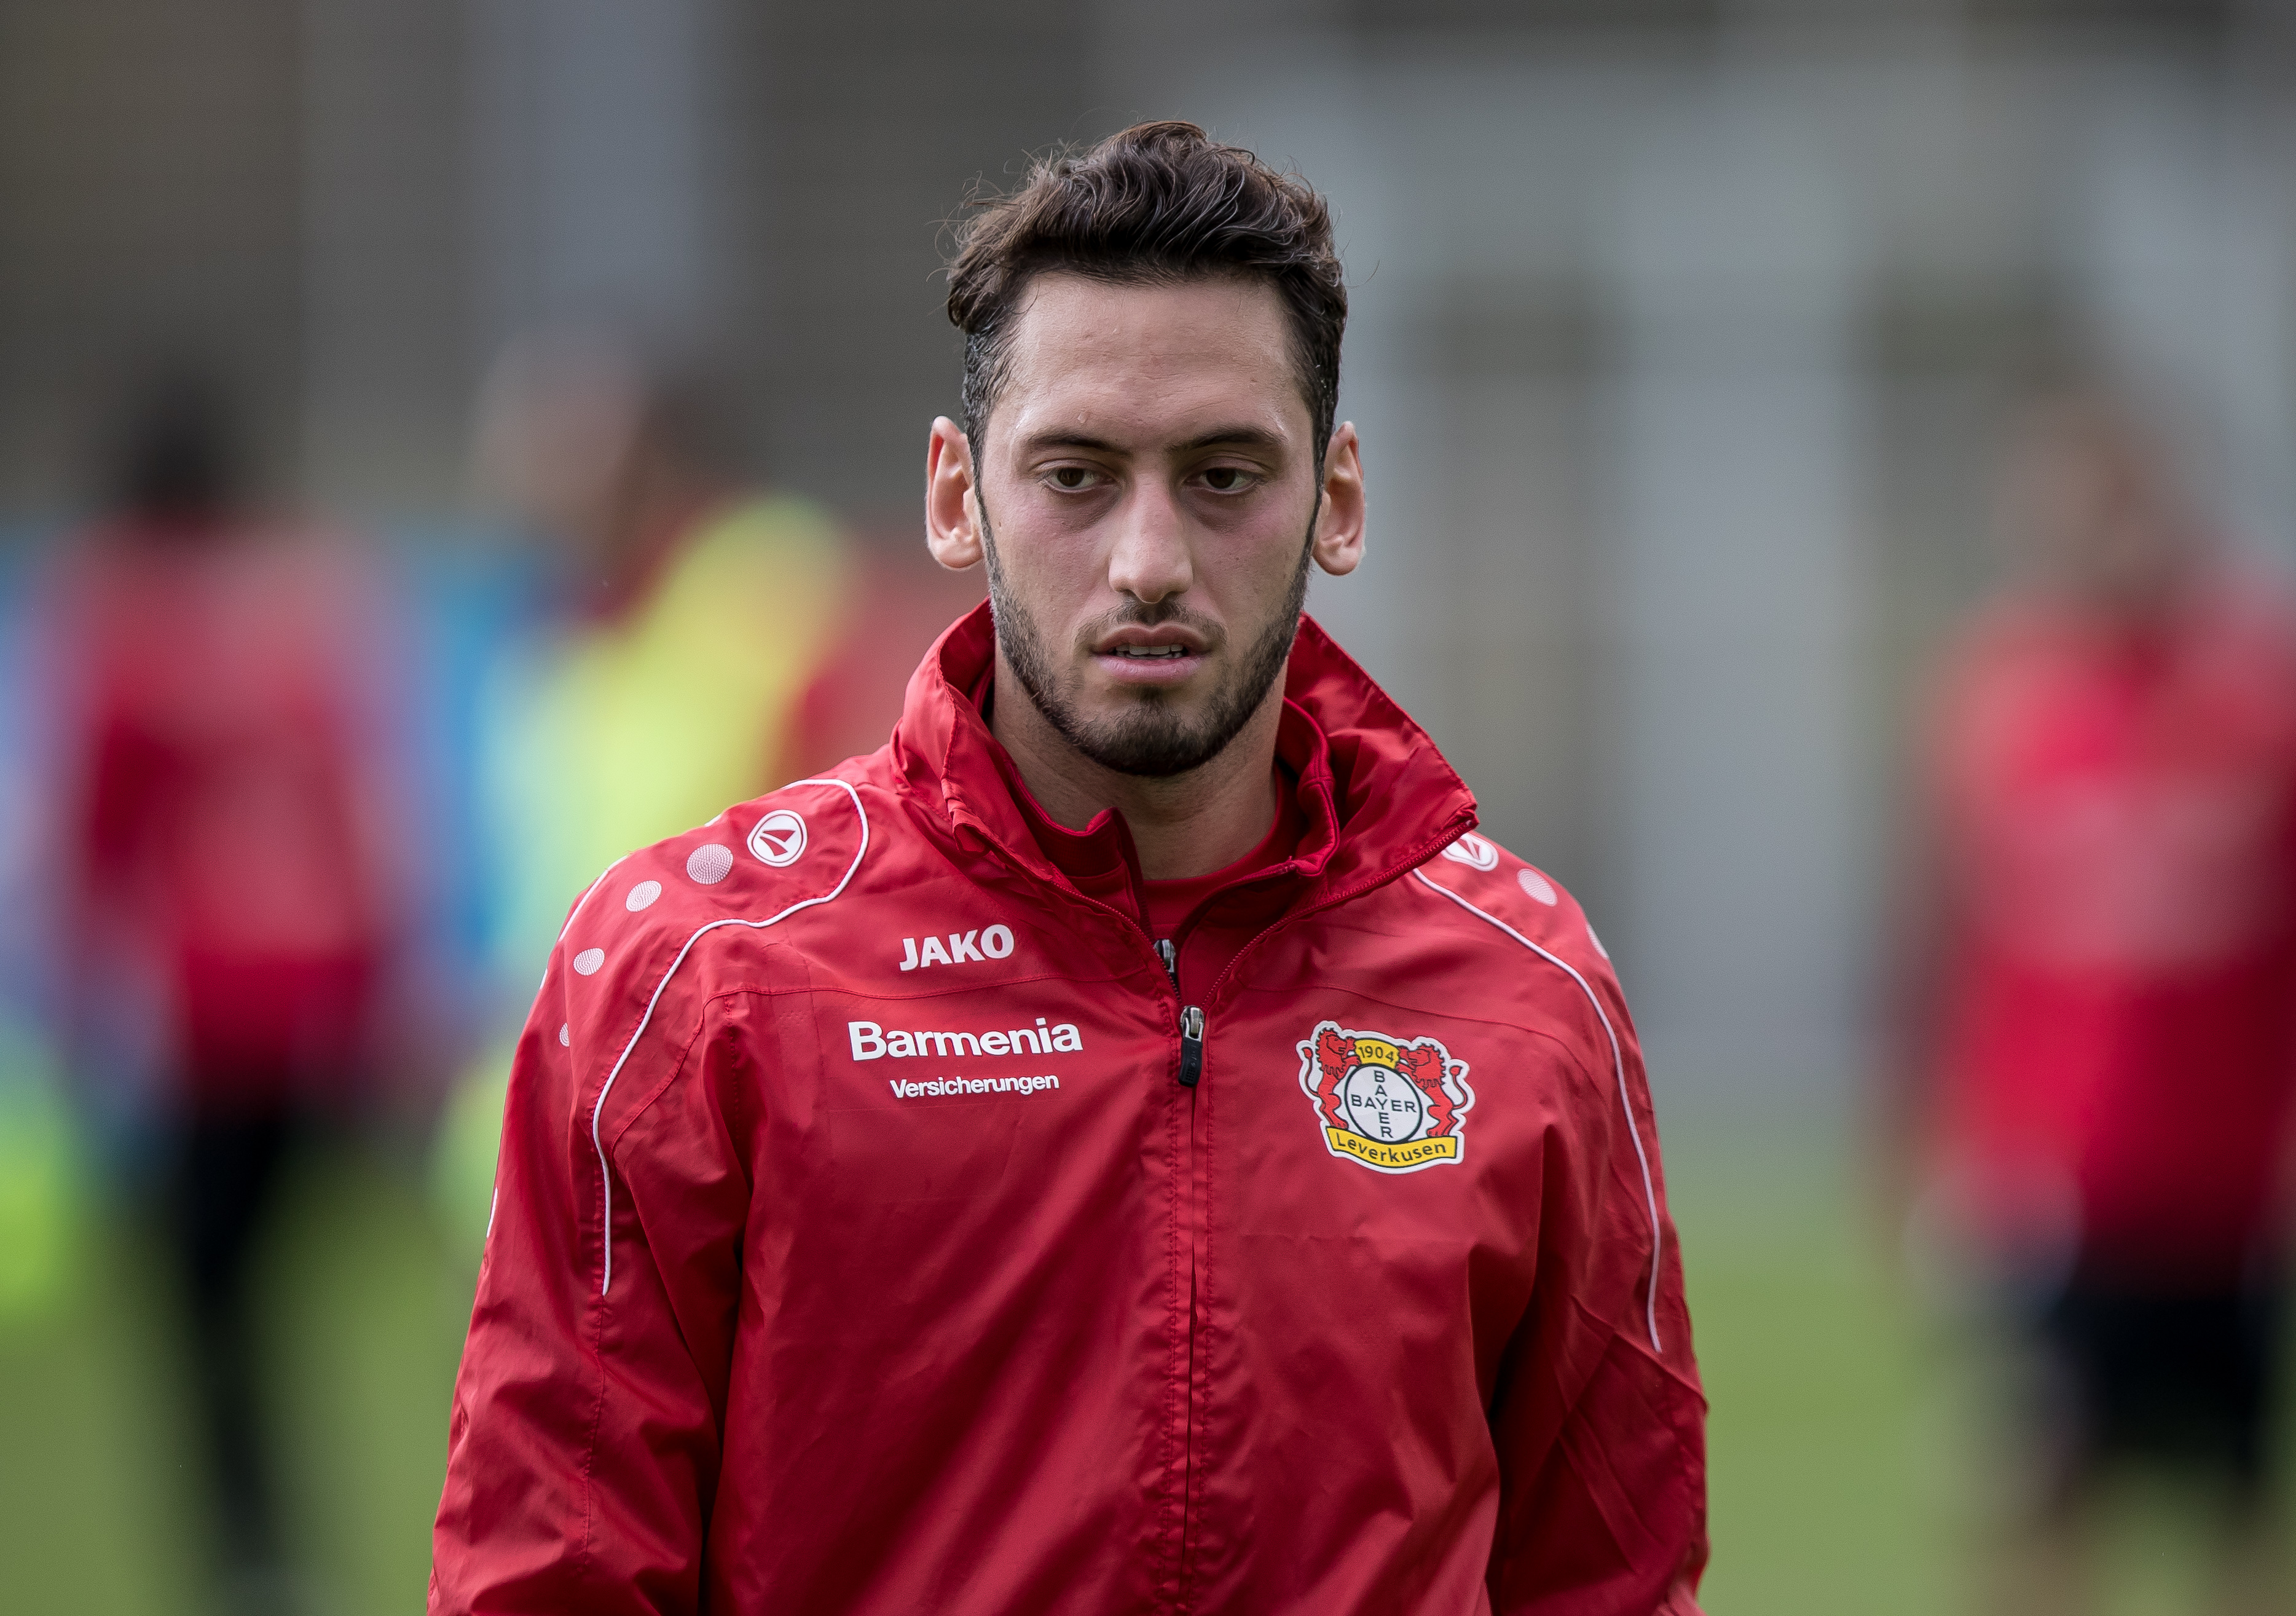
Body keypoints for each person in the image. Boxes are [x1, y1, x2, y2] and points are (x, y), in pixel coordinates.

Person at [430, 122, 1707, 1614]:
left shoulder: (1525, 994)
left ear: (1338, 499)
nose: (1149, 557)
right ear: (957, 496)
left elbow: (1606, 1580)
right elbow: (549, 1578)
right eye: (1078, 475)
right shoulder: (695, 977)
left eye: (1224, 475)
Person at [1888, 388, 2296, 1616]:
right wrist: (1928, 1140)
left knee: (2258, 1510)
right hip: (2057, 1199)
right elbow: (1946, 947)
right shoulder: (1999, 705)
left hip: (2246, 1192)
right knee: (2034, 1500)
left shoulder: (2283, 700)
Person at [434, 335, 974, 1251]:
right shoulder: (554, 640)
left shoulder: (769, 583)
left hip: (722, 1090)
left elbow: (880, 814)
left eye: (567, 437)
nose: (533, 471)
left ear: (651, 451)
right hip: (556, 1095)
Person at [53, 370, 404, 1610]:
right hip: (316, 1004)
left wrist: (78, 1017)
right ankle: (279, 1541)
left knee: (204, 1308)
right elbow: (362, 818)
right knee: (285, 1297)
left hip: (197, 1021)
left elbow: (91, 844)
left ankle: (245, 1553)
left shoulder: (124, 621)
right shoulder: (305, 607)